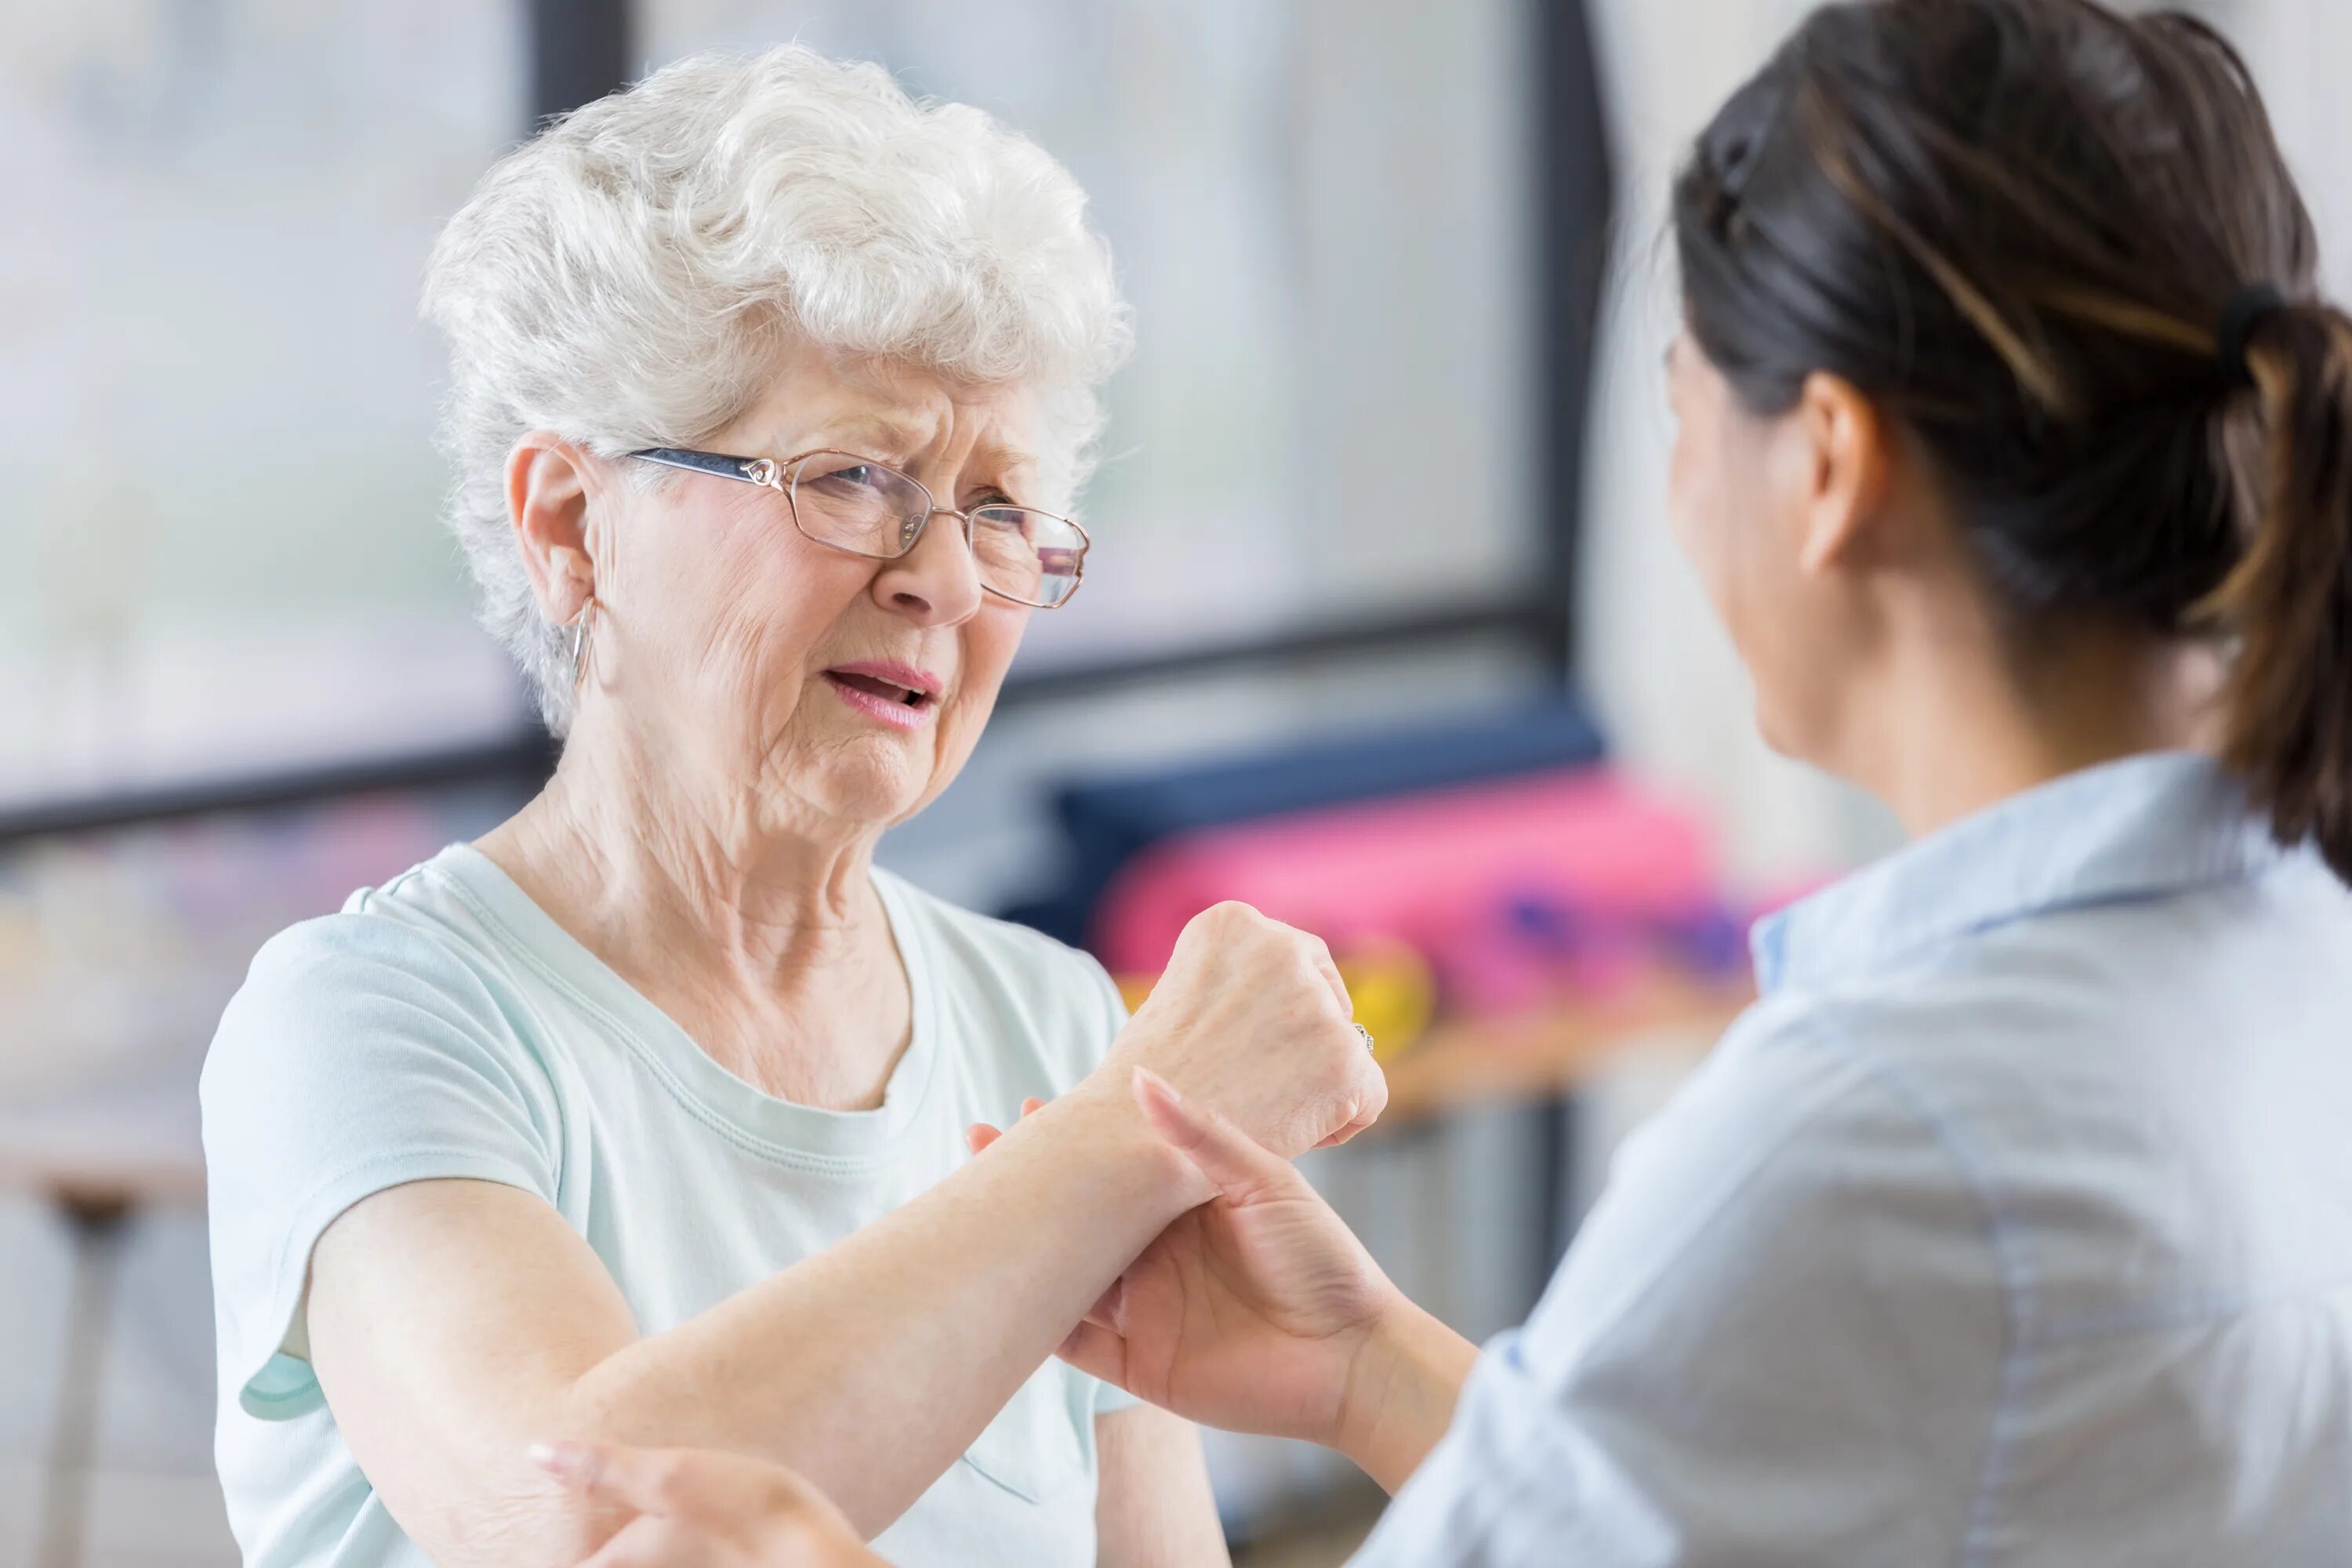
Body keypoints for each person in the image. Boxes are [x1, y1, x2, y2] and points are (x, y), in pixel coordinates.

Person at [538, 0, 2352, 1561]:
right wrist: (1368, 1368)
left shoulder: (1875, 1130)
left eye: (1677, 406)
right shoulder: (2289, 968)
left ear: (1825, 468)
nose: (937, 571)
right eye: (850, 479)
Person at [198, 45, 1387, 1568]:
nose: (946, 577)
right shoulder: (366, 1020)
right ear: (572, 525)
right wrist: (1124, 1141)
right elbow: (568, 1524)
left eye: (1002, 509)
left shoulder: (1052, 1022)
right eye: (851, 478)